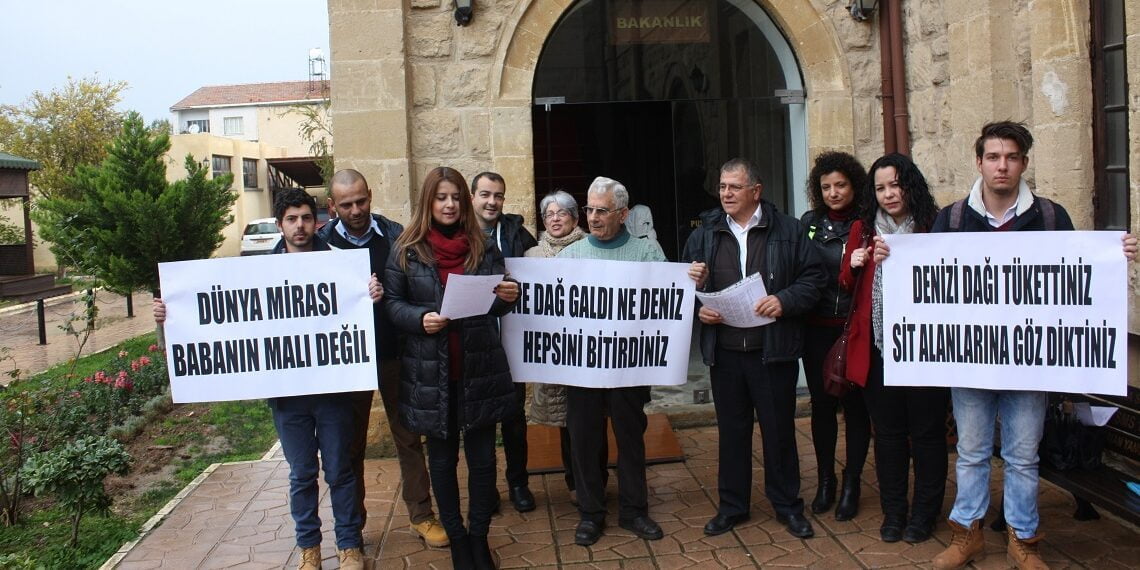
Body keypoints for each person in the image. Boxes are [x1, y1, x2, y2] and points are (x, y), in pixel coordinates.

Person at [920, 122, 1139, 569]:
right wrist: (891, 259)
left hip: (1029, 361)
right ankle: (968, 533)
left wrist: (1116, 255)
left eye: (1012, 157)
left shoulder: (1052, 216)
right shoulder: (954, 218)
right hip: (970, 359)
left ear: (1024, 162)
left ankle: (1024, 539)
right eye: (994, 157)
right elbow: (928, 282)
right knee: (972, 452)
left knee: (1022, 455)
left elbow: (1080, 280)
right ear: (979, 162)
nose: (1003, 166)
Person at [154, 189, 379, 570]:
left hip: (333, 392)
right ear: (280, 225)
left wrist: (370, 296)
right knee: (303, 473)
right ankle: (309, 549)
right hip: (287, 397)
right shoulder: (256, 275)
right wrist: (168, 315)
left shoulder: (342, 267)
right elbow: (217, 318)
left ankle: (348, 545)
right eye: (292, 219)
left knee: (340, 470)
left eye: (306, 218)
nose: (300, 226)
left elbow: (360, 324)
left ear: (317, 221)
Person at [683, 158, 826, 540]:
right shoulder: (706, 232)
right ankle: (732, 507)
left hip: (772, 349)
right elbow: (683, 285)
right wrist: (700, 305)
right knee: (731, 432)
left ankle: (787, 506)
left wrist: (784, 300)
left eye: (734, 187)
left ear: (755, 191)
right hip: (725, 350)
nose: (725, 194)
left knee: (779, 432)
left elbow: (815, 278)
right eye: (723, 187)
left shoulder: (790, 230)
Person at [384, 166, 520, 569]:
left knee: (482, 460)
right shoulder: (406, 249)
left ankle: (479, 536)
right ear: (429, 201)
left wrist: (509, 295)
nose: (449, 205)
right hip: (431, 374)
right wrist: (418, 319)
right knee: (442, 462)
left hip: (478, 367)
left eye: (455, 198)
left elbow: (497, 299)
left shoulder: (482, 246)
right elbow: (393, 305)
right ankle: (458, 540)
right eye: (441, 197)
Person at [316, 169, 449, 549]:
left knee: (408, 437)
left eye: (361, 200)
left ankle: (421, 515)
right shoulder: (320, 243)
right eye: (346, 204)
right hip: (348, 360)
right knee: (349, 445)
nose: (356, 210)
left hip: (396, 353)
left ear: (370, 194)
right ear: (332, 206)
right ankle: (351, 528)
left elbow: (417, 284)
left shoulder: (396, 234)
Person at [840, 153, 947, 545]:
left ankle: (924, 514)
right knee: (886, 435)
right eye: (881, 187)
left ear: (910, 185)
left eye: (896, 184)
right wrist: (857, 262)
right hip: (879, 351)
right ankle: (894, 512)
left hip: (926, 352)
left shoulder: (935, 226)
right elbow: (847, 284)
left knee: (928, 434)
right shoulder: (863, 231)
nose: (889, 194)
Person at [558, 176, 667, 546]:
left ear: (622, 213)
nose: (592, 216)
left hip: (629, 366)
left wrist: (692, 280)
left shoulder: (647, 253)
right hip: (583, 367)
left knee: (631, 438)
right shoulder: (570, 255)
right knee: (584, 440)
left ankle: (635, 510)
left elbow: (667, 302)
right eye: (589, 209)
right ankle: (591, 513)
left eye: (601, 210)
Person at [799, 152, 872, 521]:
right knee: (822, 406)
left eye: (840, 185)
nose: (833, 192)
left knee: (856, 408)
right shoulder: (810, 224)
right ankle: (825, 479)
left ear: (854, 185)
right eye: (826, 186)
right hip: (817, 329)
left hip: (854, 329)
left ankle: (852, 481)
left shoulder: (868, 224)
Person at [470, 171, 538, 513]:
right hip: (476, 343)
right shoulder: (462, 235)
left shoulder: (514, 232)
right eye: (485, 194)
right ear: (473, 198)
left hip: (513, 340)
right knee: (480, 422)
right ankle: (486, 489)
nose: (492, 201)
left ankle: (518, 483)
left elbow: (543, 272)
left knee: (514, 419)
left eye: (498, 195)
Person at [523, 190, 592, 505]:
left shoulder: (591, 248)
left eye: (561, 213)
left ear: (575, 218)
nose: (554, 219)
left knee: (585, 420)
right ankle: (574, 482)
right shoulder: (531, 256)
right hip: (554, 351)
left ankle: (591, 480)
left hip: (586, 349)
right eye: (549, 214)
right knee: (565, 422)